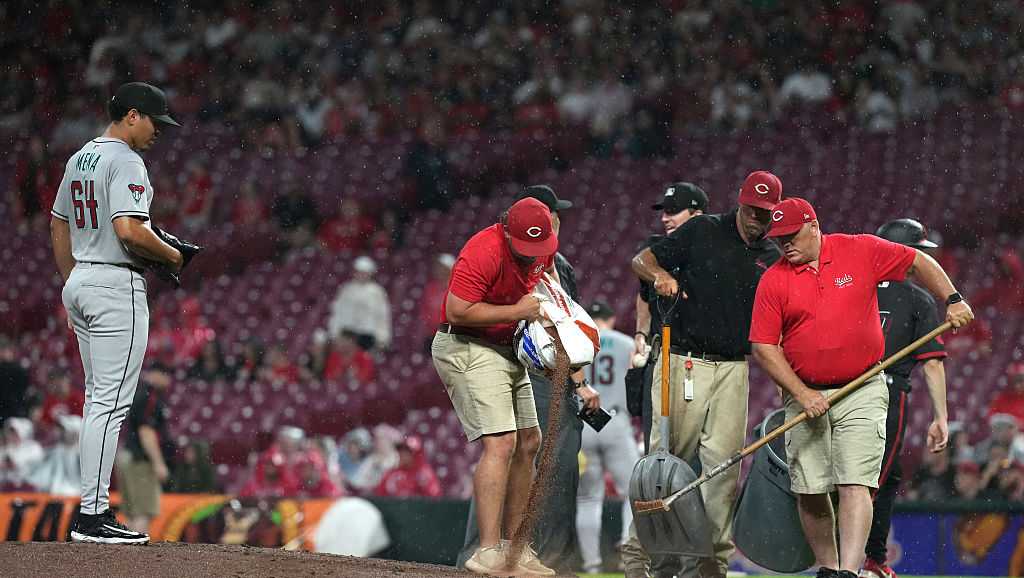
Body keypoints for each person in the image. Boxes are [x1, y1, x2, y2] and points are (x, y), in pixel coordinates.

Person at [749, 197, 974, 578]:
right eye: (777, 238)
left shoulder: (860, 249)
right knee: (810, 488)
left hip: (862, 387)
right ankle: (827, 566)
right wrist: (801, 393)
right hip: (805, 392)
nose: (783, 243)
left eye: (790, 235)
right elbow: (763, 346)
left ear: (813, 225)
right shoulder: (775, 278)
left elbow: (918, 261)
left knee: (856, 483)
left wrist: (952, 298)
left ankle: (848, 572)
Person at [627, 171, 783, 578]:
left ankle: (708, 562)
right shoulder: (701, 230)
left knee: (724, 469)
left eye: (765, 214)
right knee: (663, 463)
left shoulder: (771, 254)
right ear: (740, 202)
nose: (757, 220)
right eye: (752, 210)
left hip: (735, 368)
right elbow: (641, 260)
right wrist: (659, 275)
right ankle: (641, 556)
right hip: (683, 361)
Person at [49, 81, 182, 545]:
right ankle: (94, 516)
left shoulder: (80, 156)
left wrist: (70, 282)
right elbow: (129, 230)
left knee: (96, 401)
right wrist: (171, 254)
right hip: (113, 284)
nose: (158, 132)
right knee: (110, 404)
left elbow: (58, 222)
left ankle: (91, 512)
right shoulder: (126, 159)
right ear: (131, 115)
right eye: (153, 121)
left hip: (82, 278)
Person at [458, 185, 600, 575]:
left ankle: (533, 554)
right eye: (552, 213)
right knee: (511, 454)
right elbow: (471, 311)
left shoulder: (560, 266)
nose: (557, 220)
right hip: (524, 368)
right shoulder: (511, 260)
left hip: (555, 378)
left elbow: (565, 329)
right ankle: (483, 551)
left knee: (554, 469)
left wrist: (579, 382)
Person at [432, 196, 561, 576]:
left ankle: (513, 549)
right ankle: (486, 551)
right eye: (525, 247)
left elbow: (543, 285)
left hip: (507, 347)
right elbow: (457, 310)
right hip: (466, 342)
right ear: (506, 230)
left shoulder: (543, 250)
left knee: (529, 441)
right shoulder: (483, 249)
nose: (531, 255)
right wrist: (518, 311)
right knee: (501, 442)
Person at [862, 218, 951, 578]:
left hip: (839, 391)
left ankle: (872, 558)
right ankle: (852, 562)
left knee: (886, 476)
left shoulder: (852, 287)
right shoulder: (918, 298)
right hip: (884, 392)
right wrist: (940, 416)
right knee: (872, 482)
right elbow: (932, 365)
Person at [633, 182, 708, 452]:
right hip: (660, 356)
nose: (665, 218)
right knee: (657, 442)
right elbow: (643, 295)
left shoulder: (713, 252)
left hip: (698, 359)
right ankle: (658, 495)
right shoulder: (655, 249)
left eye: (673, 211)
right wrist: (640, 333)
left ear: (697, 215)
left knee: (695, 447)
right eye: (664, 211)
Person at [577, 301, 641, 574]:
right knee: (634, 494)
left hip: (586, 423)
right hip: (616, 420)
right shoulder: (627, 343)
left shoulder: (577, 341)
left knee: (588, 499)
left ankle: (591, 565)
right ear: (611, 319)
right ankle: (629, 548)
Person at [116, 367, 173, 534]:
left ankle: (128, 554)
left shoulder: (138, 392)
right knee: (143, 511)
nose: (168, 379)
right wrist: (159, 463)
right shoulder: (151, 397)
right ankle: (136, 556)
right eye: (164, 374)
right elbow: (146, 431)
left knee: (133, 512)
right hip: (139, 460)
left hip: (127, 456)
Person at [327, 256, 392, 351]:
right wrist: (334, 333)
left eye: (364, 272)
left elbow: (382, 315)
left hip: (367, 335)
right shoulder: (346, 289)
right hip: (347, 333)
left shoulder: (377, 292)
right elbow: (337, 312)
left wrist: (382, 338)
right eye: (359, 272)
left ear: (370, 274)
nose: (361, 275)